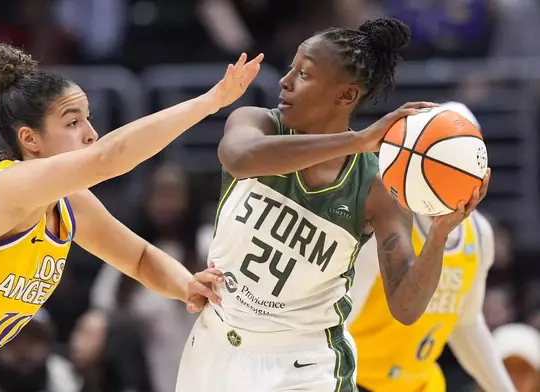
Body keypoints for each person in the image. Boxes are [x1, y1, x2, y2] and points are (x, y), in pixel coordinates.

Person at [0, 44, 263, 391]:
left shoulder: (70, 205)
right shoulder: (8, 187)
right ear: (30, 139)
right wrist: (210, 102)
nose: (91, 135)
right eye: (73, 123)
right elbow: (109, 156)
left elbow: (138, 258)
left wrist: (186, 286)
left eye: (89, 120)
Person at [175, 18, 490, 392]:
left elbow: (406, 309)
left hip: (306, 365)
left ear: (345, 96)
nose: (285, 81)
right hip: (216, 345)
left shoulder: (375, 186)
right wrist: (356, 141)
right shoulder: (256, 124)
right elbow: (238, 159)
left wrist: (438, 235)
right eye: (291, 68)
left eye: (304, 74)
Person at [347, 105, 514, 392]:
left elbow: (466, 324)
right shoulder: (390, 223)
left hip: (422, 384)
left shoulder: (480, 234)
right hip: (360, 380)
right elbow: (342, 318)